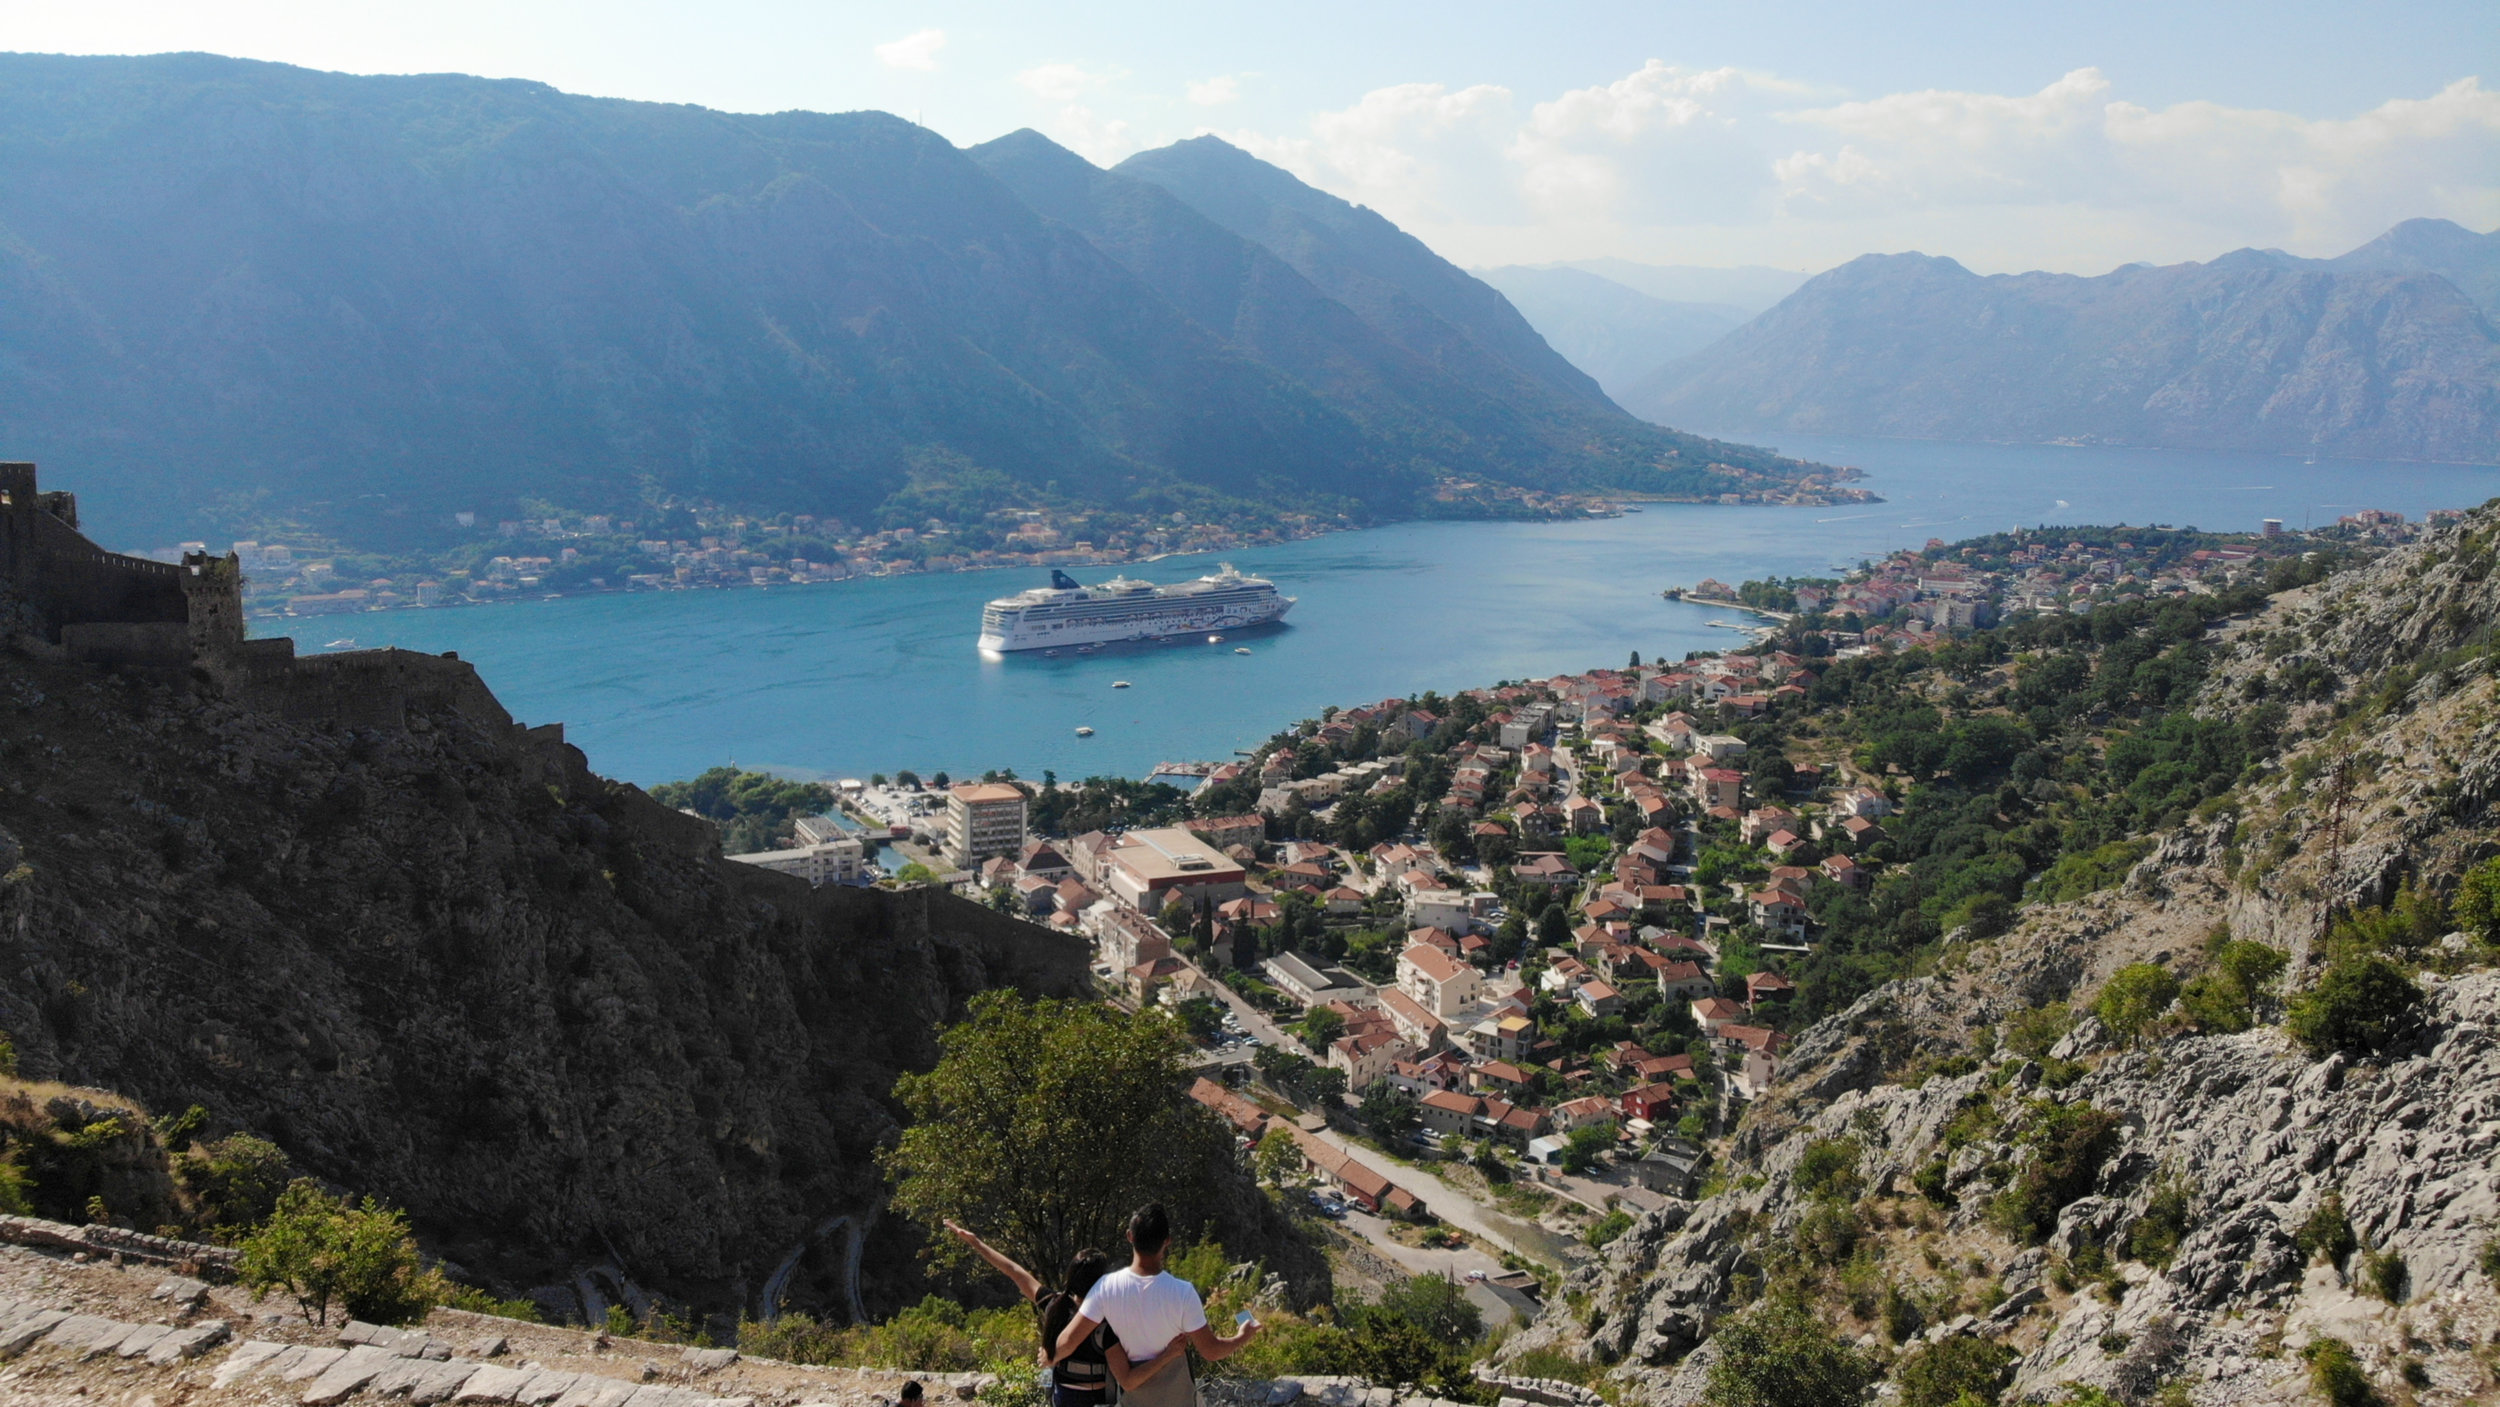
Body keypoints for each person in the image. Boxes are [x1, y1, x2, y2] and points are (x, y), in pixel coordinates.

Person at [946, 1219, 1180, 1407]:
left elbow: (1014, 1271)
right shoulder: (1106, 1324)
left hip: (1060, 1397)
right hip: (1094, 1399)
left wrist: (976, 1243)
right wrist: (1169, 1355)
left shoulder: (1054, 1305)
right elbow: (1128, 1381)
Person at [1052, 1205, 1259, 1407]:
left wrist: (1049, 1353)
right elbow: (1211, 1351)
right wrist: (1243, 1336)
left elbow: (1067, 1342)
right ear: (1167, 1241)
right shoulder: (1183, 1292)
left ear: (1129, 1236)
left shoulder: (1106, 1288)